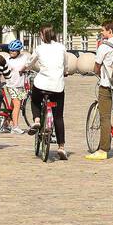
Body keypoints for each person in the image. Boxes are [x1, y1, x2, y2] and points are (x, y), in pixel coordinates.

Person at [27, 26, 67, 161]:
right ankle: (61, 147)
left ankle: (37, 120)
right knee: (58, 117)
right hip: (57, 86)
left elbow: (30, 63)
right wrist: (65, 72)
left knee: (34, 100)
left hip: (42, 84)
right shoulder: (61, 47)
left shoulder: (39, 48)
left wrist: (24, 69)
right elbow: (65, 65)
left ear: (42, 35)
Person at [87, 21, 113, 161]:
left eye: (103, 30)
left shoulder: (104, 46)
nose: (101, 32)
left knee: (105, 117)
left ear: (109, 31)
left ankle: (103, 150)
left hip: (107, 84)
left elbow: (97, 66)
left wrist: (95, 72)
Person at [3, 39, 30, 134]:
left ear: (19, 51)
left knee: (13, 105)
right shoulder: (7, 60)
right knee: (17, 105)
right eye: (10, 50)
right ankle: (15, 126)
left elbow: (28, 64)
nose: (12, 52)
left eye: (14, 51)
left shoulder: (24, 57)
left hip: (21, 85)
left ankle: (6, 123)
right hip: (12, 85)